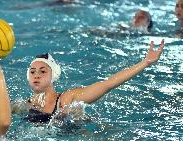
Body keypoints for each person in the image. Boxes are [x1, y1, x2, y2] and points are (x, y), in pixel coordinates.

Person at [12, 40, 164, 124]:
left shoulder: (67, 99)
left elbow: (107, 84)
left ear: (53, 76)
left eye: (43, 71)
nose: (36, 75)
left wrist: (145, 63)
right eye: (32, 72)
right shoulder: (22, 105)